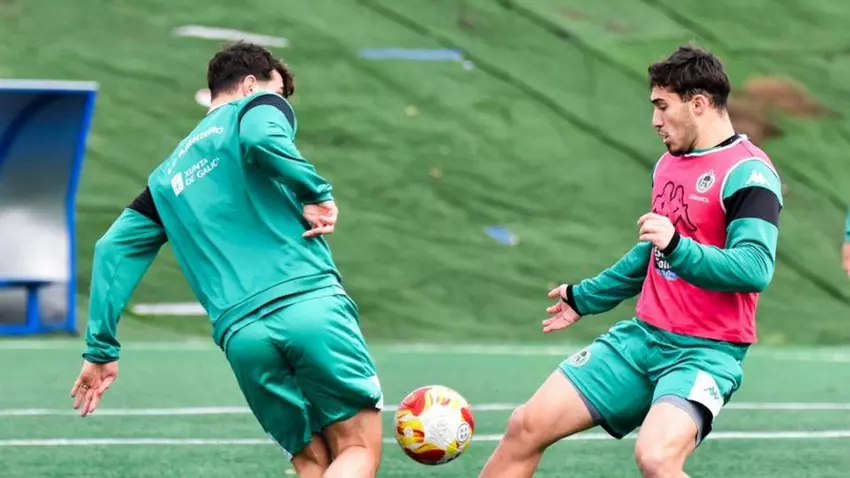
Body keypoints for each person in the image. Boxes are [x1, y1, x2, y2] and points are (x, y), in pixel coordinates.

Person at [69, 42, 384, 478]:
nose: (280, 106)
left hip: (244, 338)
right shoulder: (253, 108)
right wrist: (315, 192)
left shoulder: (165, 178)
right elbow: (261, 137)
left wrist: (101, 348)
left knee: (314, 462)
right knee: (357, 447)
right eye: (278, 94)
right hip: (308, 304)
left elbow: (112, 250)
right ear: (252, 84)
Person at [479, 45, 784, 478]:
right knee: (525, 426)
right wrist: (585, 297)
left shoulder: (749, 173)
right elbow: (653, 253)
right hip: (641, 341)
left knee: (656, 459)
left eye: (663, 106)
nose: (655, 120)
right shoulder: (667, 165)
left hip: (705, 354)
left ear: (698, 104)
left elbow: (754, 268)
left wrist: (677, 245)